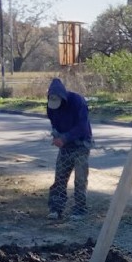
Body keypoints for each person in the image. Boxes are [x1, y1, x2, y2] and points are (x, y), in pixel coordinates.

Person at [46, 78, 93, 220]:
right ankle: (56, 208)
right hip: (65, 147)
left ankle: (79, 209)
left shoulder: (78, 102)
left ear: (63, 97)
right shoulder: (51, 106)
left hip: (81, 144)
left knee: (80, 179)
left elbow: (82, 127)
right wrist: (56, 134)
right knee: (60, 177)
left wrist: (65, 138)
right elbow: (53, 122)